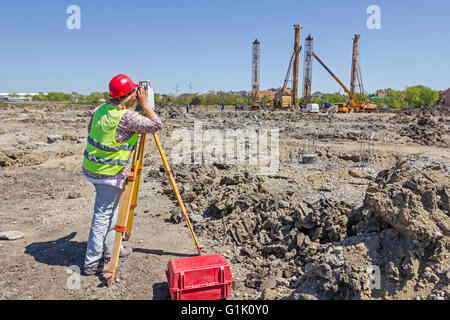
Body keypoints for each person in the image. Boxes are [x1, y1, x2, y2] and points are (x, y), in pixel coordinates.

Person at [82, 74, 163, 275]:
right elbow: (156, 125)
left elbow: (91, 130)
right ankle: (91, 262)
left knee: (110, 211)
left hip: (94, 168)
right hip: (109, 174)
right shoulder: (127, 117)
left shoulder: (99, 109)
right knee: (103, 215)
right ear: (129, 96)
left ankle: (111, 249)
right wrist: (145, 105)